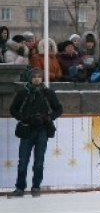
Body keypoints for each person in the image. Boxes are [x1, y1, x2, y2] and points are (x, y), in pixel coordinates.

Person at [8, 68, 63, 197]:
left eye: (39, 76)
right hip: (27, 130)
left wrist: (48, 118)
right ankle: (20, 187)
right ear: (30, 78)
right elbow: (13, 109)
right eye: (34, 77)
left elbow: (58, 109)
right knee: (23, 161)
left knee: (39, 162)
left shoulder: (48, 93)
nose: (37, 79)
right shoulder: (23, 93)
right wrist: (25, 118)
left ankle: (36, 187)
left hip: (42, 130)